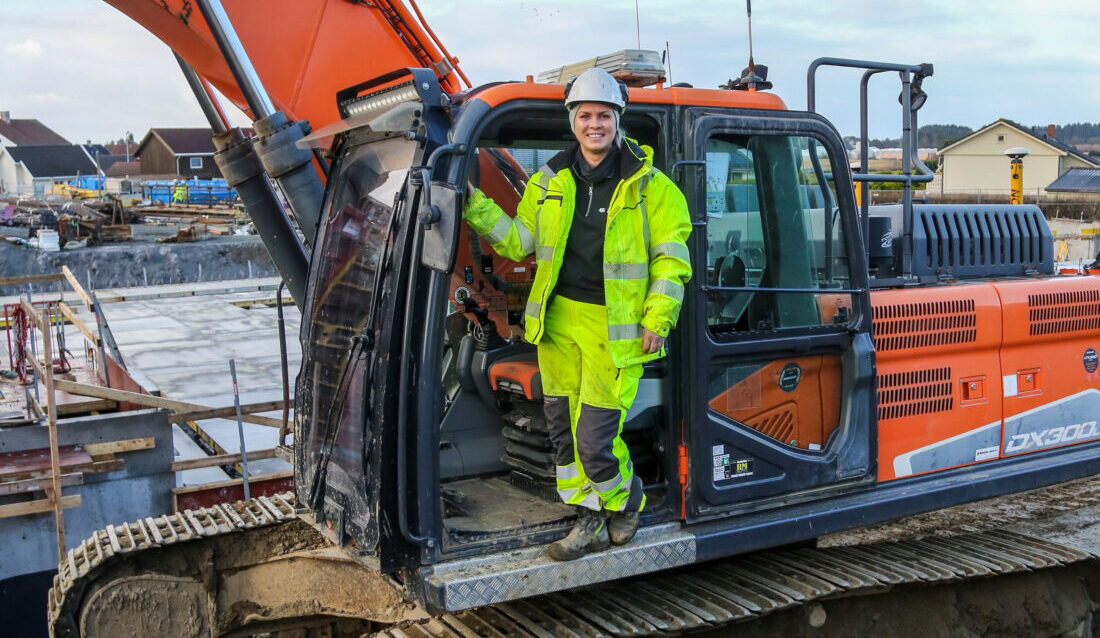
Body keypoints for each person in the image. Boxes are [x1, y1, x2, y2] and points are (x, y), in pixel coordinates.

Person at [463, 67, 692, 560]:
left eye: (603, 115)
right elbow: (518, 241)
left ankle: (626, 500)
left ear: (617, 120)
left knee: (594, 440)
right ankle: (588, 517)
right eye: (585, 115)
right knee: (563, 436)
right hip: (559, 324)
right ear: (573, 120)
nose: (594, 124)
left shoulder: (653, 188)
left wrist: (658, 318)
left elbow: (672, 261)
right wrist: (472, 206)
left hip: (615, 329)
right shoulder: (550, 181)